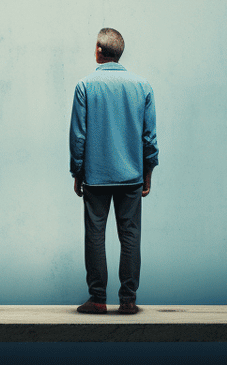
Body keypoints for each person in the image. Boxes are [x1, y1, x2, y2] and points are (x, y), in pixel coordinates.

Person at [70, 27, 158, 315]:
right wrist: (148, 171)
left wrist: (77, 171)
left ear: (98, 50)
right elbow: (149, 136)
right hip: (131, 174)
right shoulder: (142, 86)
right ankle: (128, 300)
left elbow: (78, 136)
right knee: (130, 235)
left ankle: (97, 299)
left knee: (95, 235)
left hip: (95, 176)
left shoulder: (85, 85)